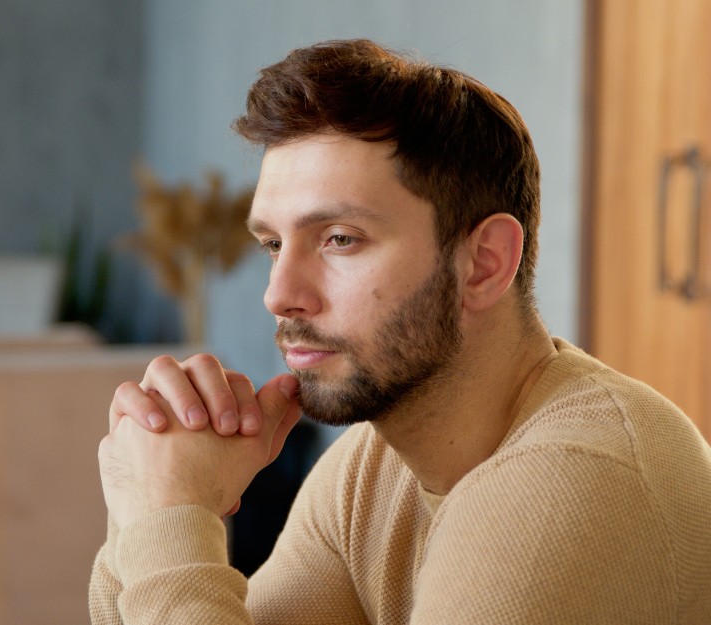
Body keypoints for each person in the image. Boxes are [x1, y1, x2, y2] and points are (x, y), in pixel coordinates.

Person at [90, 39, 711, 624]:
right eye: (274, 244)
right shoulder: (372, 468)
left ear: (484, 263)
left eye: (339, 239)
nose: (278, 293)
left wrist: (171, 522)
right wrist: (148, 499)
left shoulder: (575, 483)